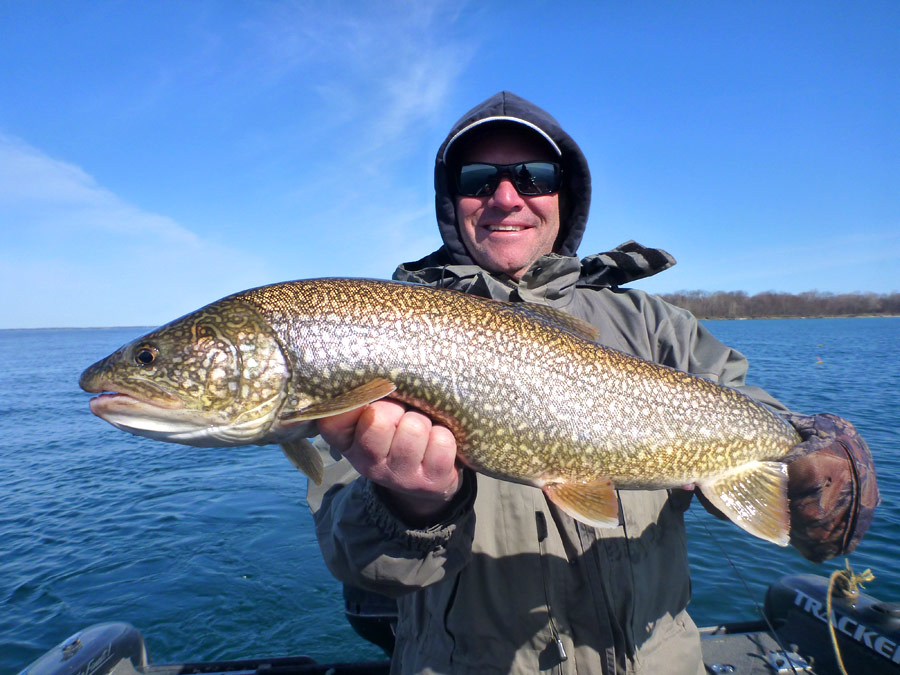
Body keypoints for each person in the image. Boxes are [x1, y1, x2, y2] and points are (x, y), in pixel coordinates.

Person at [306, 91, 880, 674]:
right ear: (451, 199)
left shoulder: (654, 325)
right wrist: (408, 505)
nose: (506, 197)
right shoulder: (383, 333)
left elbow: (745, 403)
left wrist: (810, 443)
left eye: (533, 177)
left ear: (565, 195)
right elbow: (358, 559)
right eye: (479, 179)